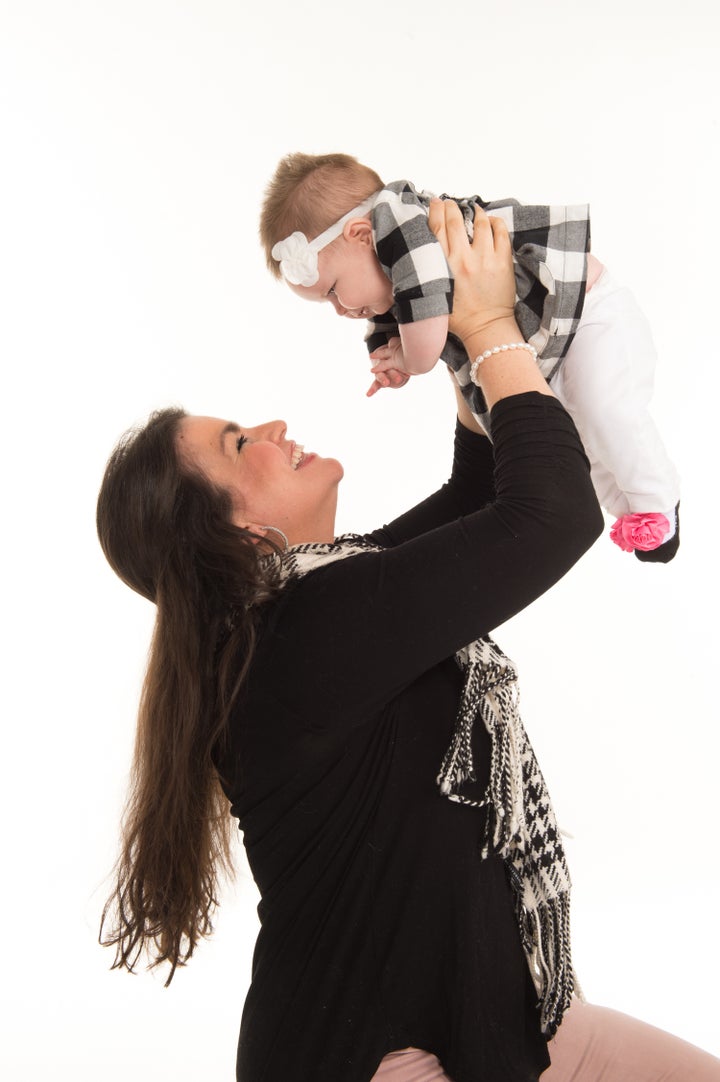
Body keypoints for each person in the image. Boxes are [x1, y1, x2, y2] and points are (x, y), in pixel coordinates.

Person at [96, 202, 718, 1082]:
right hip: (392, 1061)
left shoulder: (316, 604)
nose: (272, 426)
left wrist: (468, 342)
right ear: (232, 537)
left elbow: (483, 496)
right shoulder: (307, 633)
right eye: (241, 444)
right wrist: (494, 324)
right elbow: (552, 514)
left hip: (509, 1022)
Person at [260, 151, 681, 564]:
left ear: (361, 234)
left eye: (333, 290)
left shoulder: (401, 225)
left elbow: (423, 347)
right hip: (553, 333)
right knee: (582, 433)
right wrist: (388, 354)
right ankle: (635, 513)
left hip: (586, 309)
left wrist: (408, 359)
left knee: (603, 408)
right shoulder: (385, 265)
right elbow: (396, 319)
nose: (341, 309)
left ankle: (656, 502)